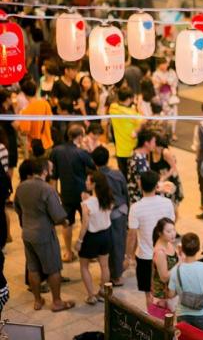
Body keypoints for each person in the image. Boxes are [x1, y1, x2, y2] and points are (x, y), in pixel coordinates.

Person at [14, 158, 75, 312]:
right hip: (44, 234)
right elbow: (58, 215)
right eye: (50, 169)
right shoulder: (47, 189)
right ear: (44, 171)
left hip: (27, 233)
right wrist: (65, 222)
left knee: (33, 268)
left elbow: (17, 207)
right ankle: (57, 302)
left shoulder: (21, 187)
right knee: (53, 268)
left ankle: (37, 300)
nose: (52, 171)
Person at [125, 170, 175, 309]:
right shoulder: (167, 203)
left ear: (140, 185)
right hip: (166, 253)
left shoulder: (135, 208)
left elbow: (132, 235)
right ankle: (168, 322)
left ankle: (154, 322)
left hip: (146, 257)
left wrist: (128, 256)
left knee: (150, 294)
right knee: (169, 291)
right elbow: (171, 227)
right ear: (156, 185)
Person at [49, 124, 96, 262]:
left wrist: (54, 193)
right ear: (80, 136)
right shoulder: (81, 153)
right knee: (86, 221)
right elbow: (94, 166)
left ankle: (68, 252)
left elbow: (53, 176)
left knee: (67, 222)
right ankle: (89, 253)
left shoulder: (56, 151)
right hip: (83, 193)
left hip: (66, 192)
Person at [91, 145, 129, 286]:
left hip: (103, 214)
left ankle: (113, 274)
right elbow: (125, 192)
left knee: (108, 246)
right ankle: (116, 275)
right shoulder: (117, 174)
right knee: (118, 244)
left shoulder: (95, 177)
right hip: (119, 212)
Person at [168, 233, 203, 335]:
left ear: (182, 249)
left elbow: (171, 294)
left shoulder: (175, 270)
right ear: (199, 249)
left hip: (183, 313)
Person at [75, 170, 112, 305]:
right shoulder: (108, 198)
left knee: (84, 265)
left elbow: (85, 224)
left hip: (91, 237)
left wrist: (79, 241)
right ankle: (102, 291)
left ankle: (91, 296)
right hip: (106, 234)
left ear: (94, 184)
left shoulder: (87, 203)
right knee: (104, 266)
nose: (85, 182)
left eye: (88, 180)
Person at [109, 87, 143, 177]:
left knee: (123, 177)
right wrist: (138, 107)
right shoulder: (132, 115)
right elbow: (144, 121)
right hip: (132, 151)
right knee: (133, 177)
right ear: (129, 99)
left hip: (120, 151)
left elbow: (116, 104)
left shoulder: (112, 108)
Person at [149, 217, 178, 319]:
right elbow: (164, 277)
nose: (173, 233)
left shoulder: (169, 244)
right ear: (160, 233)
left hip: (172, 292)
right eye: (168, 231)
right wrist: (179, 265)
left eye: (173, 230)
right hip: (163, 297)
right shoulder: (160, 252)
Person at [150, 131, 183, 213]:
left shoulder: (165, 152)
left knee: (172, 207)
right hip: (158, 183)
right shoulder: (150, 152)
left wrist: (163, 178)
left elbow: (174, 168)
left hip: (169, 181)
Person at [18, 80, 54, 152]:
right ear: (36, 90)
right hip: (48, 142)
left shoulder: (26, 112)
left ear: (24, 94)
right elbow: (50, 123)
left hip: (35, 148)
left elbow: (25, 131)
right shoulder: (45, 104)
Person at [127, 127, 156, 204]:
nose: (155, 145)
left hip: (134, 194)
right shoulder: (140, 160)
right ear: (146, 143)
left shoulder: (135, 153)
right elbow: (142, 185)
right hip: (138, 199)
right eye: (153, 142)